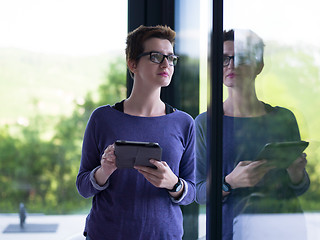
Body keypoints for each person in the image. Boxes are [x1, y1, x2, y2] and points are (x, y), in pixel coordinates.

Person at [76, 25, 195, 240]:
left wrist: (173, 183)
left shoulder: (184, 123)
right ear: (133, 63)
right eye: (156, 56)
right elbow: (83, 187)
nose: (166, 64)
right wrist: (104, 171)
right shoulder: (102, 119)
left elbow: (191, 192)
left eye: (171, 58)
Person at [195, 29, 310, 239]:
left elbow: (300, 187)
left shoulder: (284, 118)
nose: (231, 65)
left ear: (259, 65)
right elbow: (198, 193)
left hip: (285, 229)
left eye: (241, 57)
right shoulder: (205, 123)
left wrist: (296, 174)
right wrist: (229, 182)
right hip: (230, 231)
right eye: (223, 59)